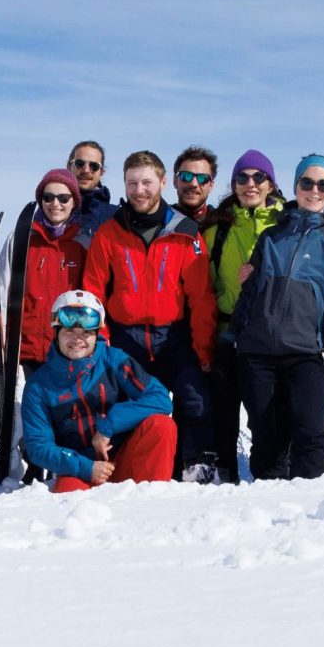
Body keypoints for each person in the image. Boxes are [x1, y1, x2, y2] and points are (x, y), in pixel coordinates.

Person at [83, 150, 220, 481]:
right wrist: (99, 343)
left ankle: (196, 470)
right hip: (125, 336)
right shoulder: (108, 233)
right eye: (132, 183)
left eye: (146, 182)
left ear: (162, 182)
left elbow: (201, 297)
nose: (139, 190)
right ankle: (128, 472)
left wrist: (203, 349)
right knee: (125, 404)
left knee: (194, 398)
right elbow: (93, 292)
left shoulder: (185, 232)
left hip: (172, 336)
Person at [229, 154, 324, 481]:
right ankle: (269, 510)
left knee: (310, 433)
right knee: (267, 438)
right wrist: (229, 339)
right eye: (307, 183)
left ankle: (307, 508)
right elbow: (250, 292)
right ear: (295, 187)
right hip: (257, 354)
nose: (314, 190)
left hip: (305, 354)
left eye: (323, 184)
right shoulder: (271, 236)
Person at [19, 290, 177, 493]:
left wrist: (107, 427)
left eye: (86, 333)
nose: (77, 339)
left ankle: (153, 502)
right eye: (69, 332)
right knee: (68, 495)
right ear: (56, 332)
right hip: (82, 469)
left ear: (96, 334)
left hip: (125, 457)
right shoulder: (38, 386)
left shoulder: (114, 360)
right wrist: (85, 467)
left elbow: (161, 399)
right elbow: (39, 447)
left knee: (161, 426)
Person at [202, 149, 281, 480]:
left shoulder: (285, 225)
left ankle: (268, 476)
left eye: (258, 177)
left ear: (270, 184)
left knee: (265, 414)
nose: (250, 183)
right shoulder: (216, 230)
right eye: (242, 178)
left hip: (268, 335)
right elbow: (202, 285)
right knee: (223, 412)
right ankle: (225, 474)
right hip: (225, 332)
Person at [2, 169, 92, 375]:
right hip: (26, 352)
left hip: (69, 351)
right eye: (48, 197)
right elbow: (2, 292)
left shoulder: (84, 244)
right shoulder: (22, 240)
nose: (55, 204)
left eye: (63, 197)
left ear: (73, 202)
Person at [67, 140, 119, 232]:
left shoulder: (118, 217)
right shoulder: (51, 210)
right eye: (79, 164)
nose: (86, 170)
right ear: (69, 167)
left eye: (94, 166)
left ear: (102, 172)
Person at [171, 147, 219, 225]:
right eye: (186, 176)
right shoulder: (159, 222)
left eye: (202, 178)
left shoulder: (223, 226)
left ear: (211, 185)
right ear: (175, 181)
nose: (193, 184)